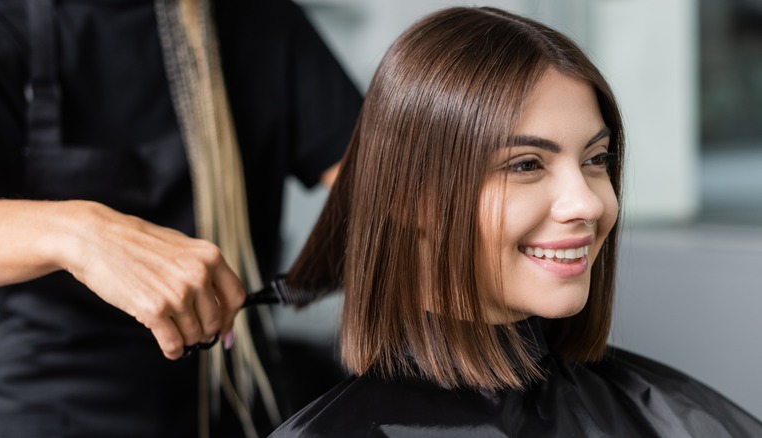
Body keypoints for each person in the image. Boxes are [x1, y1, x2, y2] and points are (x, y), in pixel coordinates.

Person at [272, 6, 762, 437]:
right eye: (526, 164)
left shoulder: (682, 420)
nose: (588, 205)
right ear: (408, 199)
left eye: (595, 159)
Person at [0, 0, 361, 437]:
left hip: (235, 402)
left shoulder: (260, 19)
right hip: (54, 407)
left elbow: (391, 196)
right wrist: (79, 233)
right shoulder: (1, 23)